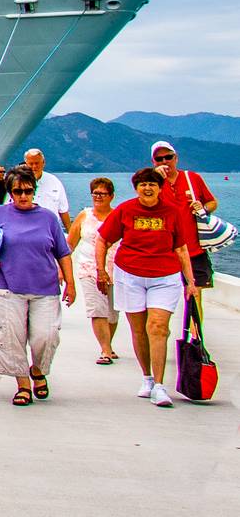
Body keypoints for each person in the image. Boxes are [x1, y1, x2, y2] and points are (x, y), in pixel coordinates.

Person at [0, 166, 75, 405]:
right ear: (10, 192)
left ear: (34, 191)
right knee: (10, 336)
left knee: (47, 335)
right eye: (17, 191)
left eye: (28, 191)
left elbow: (63, 252)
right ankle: (22, 384)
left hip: (45, 286)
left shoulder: (48, 217)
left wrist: (70, 282)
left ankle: (38, 370)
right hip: (6, 285)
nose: (23, 196)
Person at [97, 167, 198, 407]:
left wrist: (191, 282)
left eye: (153, 184)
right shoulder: (125, 210)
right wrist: (101, 270)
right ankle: (147, 378)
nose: (148, 188)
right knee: (139, 329)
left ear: (160, 188)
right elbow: (104, 239)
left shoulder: (172, 212)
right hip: (129, 275)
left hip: (165, 276)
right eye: (143, 184)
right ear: (136, 188)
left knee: (158, 327)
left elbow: (181, 248)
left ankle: (161, 387)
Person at [152, 140, 218, 308]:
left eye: (168, 157)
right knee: (161, 298)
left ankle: (195, 333)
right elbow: (144, 204)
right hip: (165, 251)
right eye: (159, 159)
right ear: (154, 162)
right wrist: (155, 178)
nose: (165, 162)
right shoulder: (152, 182)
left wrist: (202, 208)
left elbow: (212, 202)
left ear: (176, 158)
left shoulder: (192, 178)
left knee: (194, 294)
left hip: (193, 249)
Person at [67, 176, 120, 364]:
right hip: (88, 268)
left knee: (113, 313)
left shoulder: (118, 216)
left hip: (115, 269)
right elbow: (70, 243)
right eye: (95, 193)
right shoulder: (85, 215)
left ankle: (109, 344)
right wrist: (62, 269)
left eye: (103, 194)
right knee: (97, 310)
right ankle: (105, 350)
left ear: (111, 196)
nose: (98, 197)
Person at [23, 148, 71, 229]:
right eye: (31, 164)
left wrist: (70, 233)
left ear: (43, 163)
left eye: (37, 163)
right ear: (26, 164)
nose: (34, 166)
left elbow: (63, 211)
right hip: (26, 229)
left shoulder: (55, 182)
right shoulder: (18, 183)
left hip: (51, 230)